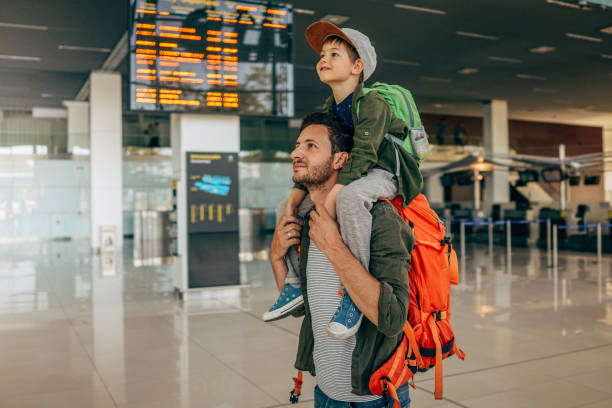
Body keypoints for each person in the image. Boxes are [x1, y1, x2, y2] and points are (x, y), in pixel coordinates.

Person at [262, 22, 423, 339]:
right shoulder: (330, 108)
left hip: (387, 172)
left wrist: (333, 195)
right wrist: (293, 202)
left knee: (349, 199)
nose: (323, 59)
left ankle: (354, 291)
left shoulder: (372, 104)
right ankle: (293, 284)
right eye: (322, 54)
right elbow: (322, 159)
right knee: (287, 203)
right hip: (354, 173)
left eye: (334, 53)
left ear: (357, 66)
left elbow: (362, 155)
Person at [269, 112, 413, 407]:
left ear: (340, 160)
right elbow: (304, 310)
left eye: (311, 146)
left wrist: (334, 246)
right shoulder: (308, 220)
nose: (296, 153)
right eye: (298, 145)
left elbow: (393, 318)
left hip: (375, 398)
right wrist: (276, 258)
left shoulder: (378, 218)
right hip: (324, 393)